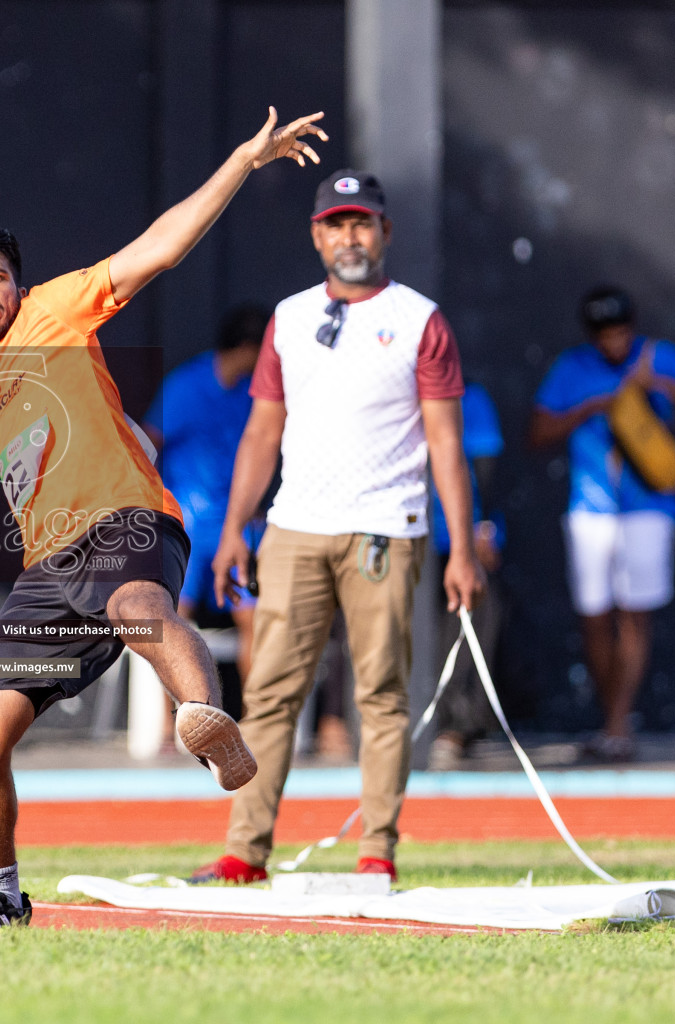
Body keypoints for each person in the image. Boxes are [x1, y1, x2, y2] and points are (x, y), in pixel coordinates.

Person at [0, 107, 328, 926]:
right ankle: (1, 897)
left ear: (16, 285)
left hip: (127, 520)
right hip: (47, 571)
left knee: (137, 606)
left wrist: (239, 159)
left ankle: (203, 718)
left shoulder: (55, 311)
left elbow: (160, 248)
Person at [189, 169, 484, 886]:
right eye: (336, 223)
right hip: (294, 526)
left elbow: (447, 441)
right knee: (269, 693)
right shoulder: (288, 318)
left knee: (380, 694)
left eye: (362, 222)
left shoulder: (419, 318)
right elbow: (263, 430)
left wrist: (462, 545)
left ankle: (376, 850)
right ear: (316, 235)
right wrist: (235, 528)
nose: (349, 235)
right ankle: (244, 851)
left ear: (385, 232)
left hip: (385, 525)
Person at [529, 286, 675, 762]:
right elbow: (536, 432)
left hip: (649, 508)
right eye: (606, 336)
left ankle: (618, 724)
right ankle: (611, 719)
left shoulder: (660, 359)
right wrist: (594, 407)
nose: (616, 344)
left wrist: (660, 387)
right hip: (591, 508)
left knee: (635, 614)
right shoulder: (572, 368)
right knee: (595, 616)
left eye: (622, 334)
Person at [142, 306, 270, 678]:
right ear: (248, 347)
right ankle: (170, 727)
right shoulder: (185, 387)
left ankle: (255, 725)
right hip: (187, 525)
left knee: (256, 619)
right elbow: (146, 446)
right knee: (174, 618)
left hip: (237, 525)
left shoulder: (255, 393)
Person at [427, 380, 506, 769]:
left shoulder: (470, 399)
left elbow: (487, 468)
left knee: (466, 624)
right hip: (402, 536)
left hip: (458, 538)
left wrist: (482, 529)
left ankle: (457, 726)